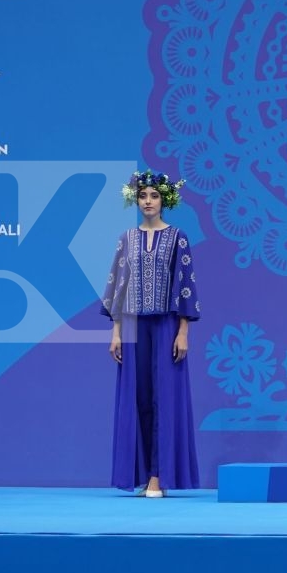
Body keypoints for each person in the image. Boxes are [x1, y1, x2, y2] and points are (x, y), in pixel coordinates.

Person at [101, 169, 202, 498]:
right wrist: (116, 332)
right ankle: (144, 474)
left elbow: (186, 285)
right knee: (139, 398)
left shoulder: (177, 238)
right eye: (143, 195)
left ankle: (159, 475)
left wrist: (183, 331)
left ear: (165, 200)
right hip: (131, 326)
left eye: (154, 196)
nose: (148, 201)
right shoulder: (126, 239)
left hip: (166, 325)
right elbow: (117, 287)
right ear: (136, 199)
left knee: (164, 398)